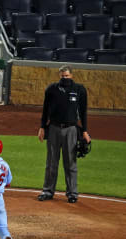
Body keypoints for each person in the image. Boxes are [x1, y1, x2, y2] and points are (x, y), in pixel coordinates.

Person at [37, 65, 91, 203]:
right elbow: (45, 110)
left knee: (70, 163)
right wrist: (42, 127)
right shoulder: (52, 89)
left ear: (71, 75)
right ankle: (48, 191)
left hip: (71, 129)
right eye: (62, 76)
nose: (64, 78)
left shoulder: (79, 90)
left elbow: (83, 112)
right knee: (51, 162)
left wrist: (84, 130)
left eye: (67, 76)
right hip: (54, 128)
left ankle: (72, 193)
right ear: (59, 75)